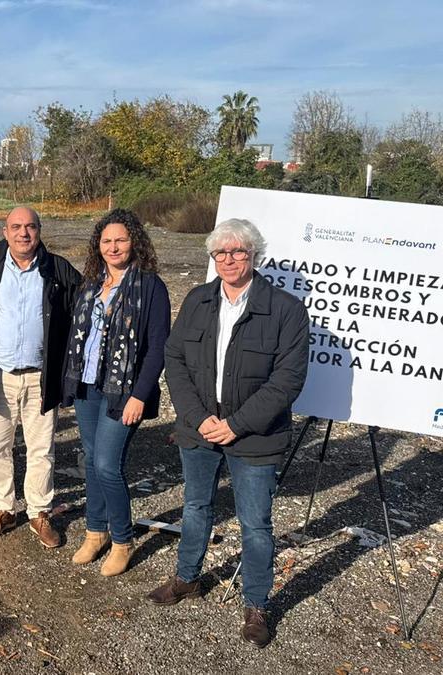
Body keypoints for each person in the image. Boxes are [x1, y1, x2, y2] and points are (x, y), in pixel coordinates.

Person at [147, 218, 309, 649]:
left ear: (255, 255)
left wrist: (235, 425)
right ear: (213, 257)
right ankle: (187, 578)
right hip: (199, 429)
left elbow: (288, 380)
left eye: (239, 251)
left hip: (254, 437)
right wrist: (199, 418)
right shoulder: (199, 300)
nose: (230, 259)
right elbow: (174, 358)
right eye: (221, 252)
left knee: (255, 525)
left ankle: (256, 604)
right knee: (196, 506)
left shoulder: (285, 309)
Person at [61, 209, 170, 576]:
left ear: (134, 241)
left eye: (120, 240)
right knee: (91, 461)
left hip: (124, 391)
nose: (113, 247)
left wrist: (140, 394)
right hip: (88, 385)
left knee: (108, 465)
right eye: (106, 241)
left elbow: (158, 347)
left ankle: (122, 539)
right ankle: (96, 532)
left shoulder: (150, 286)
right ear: (98, 245)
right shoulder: (92, 283)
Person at [0, 206, 81, 546]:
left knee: (41, 448)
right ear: (5, 232)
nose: (23, 234)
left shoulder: (58, 270)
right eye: (16, 227)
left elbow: (78, 318)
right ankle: (3, 508)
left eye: (30, 227)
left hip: (40, 377)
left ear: (40, 230)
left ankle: (39, 511)